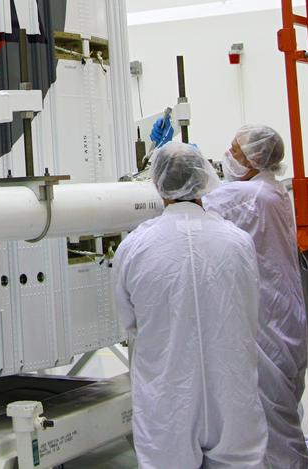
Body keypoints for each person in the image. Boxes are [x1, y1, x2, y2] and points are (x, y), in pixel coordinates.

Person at [114, 142, 267, 468]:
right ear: (203, 180)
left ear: (158, 184)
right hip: (232, 395)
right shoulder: (239, 242)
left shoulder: (134, 248)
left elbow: (128, 322)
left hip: (169, 400)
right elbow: (252, 313)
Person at [205, 125, 308, 469]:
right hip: (286, 316)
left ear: (255, 158)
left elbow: (194, 202)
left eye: (235, 150)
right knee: (280, 415)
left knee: (276, 429)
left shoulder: (251, 196)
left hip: (269, 324)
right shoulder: (272, 190)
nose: (228, 155)